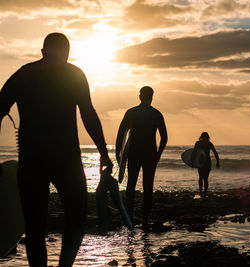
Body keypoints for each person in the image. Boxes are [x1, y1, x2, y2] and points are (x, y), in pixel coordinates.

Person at [0, 33, 113, 267]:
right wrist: (103, 152)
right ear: (67, 53)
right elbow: (88, 115)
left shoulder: (25, 73)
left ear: (44, 51)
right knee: (76, 218)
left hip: (33, 160)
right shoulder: (73, 74)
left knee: (34, 227)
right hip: (66, 159)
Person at [115, 86, 167, 227]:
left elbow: (121, 134)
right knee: (148, 186)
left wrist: (118, 153)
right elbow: (164, 138)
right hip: (150, 153)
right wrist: (158, 155)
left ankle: (129, 219)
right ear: (152, 97)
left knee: (131, 185)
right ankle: (144, 220)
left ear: (140, 96)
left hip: (134, 153)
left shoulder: (131, 112)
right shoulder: (156, 114)